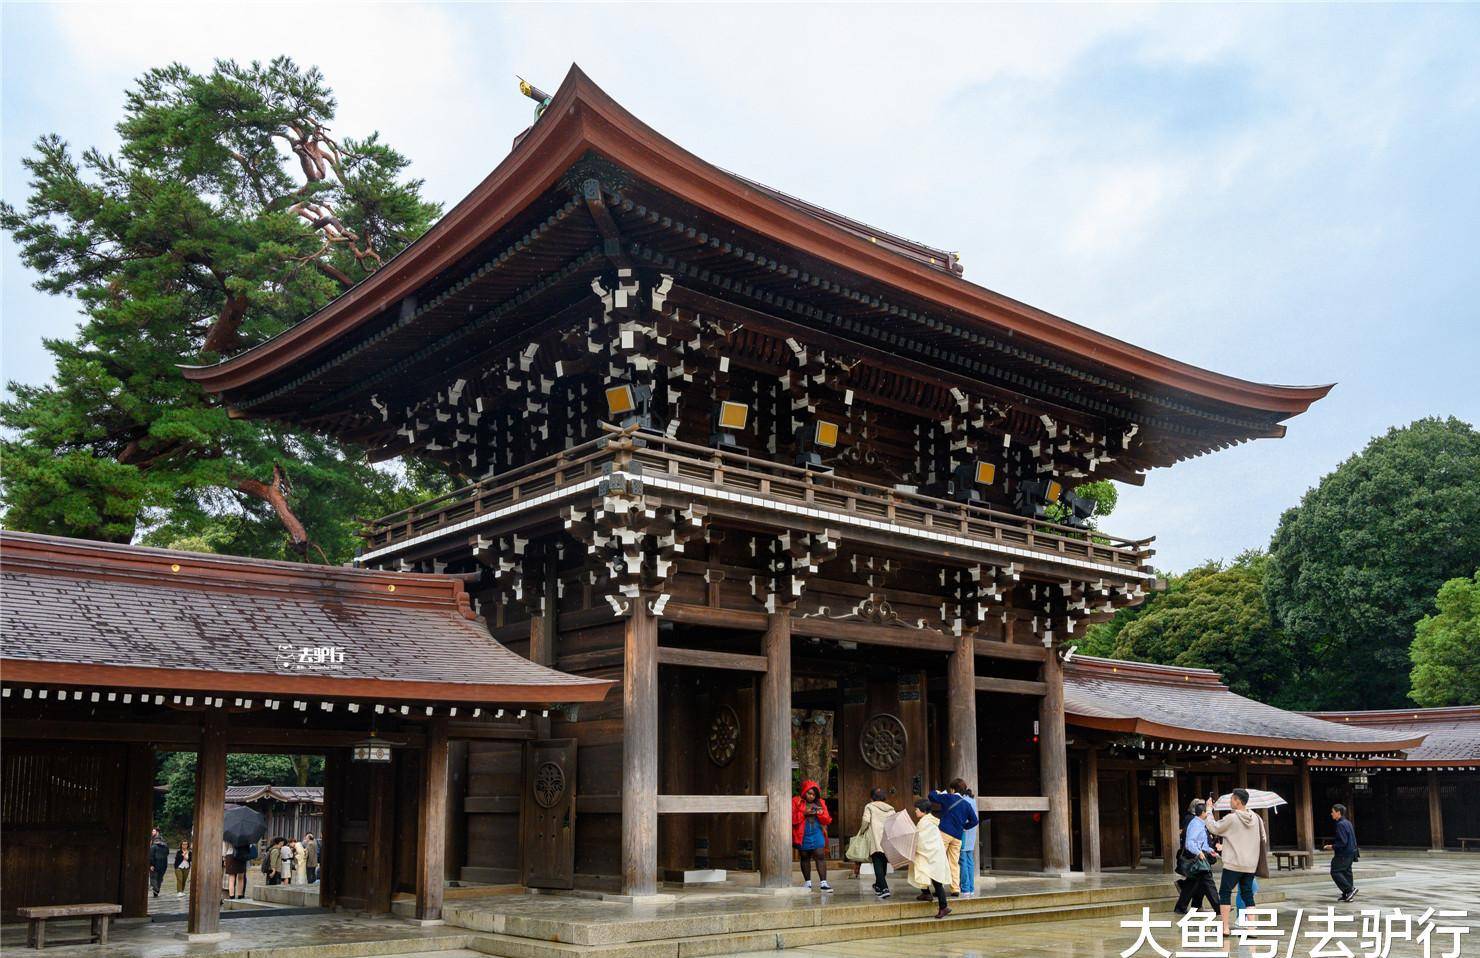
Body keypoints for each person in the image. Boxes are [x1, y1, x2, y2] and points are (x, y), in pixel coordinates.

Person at [1207, 788, 1267, 935]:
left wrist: (1209, 810)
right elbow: (1263, 839)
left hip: (1233, 864)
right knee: (1247, 894)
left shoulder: (1231, 818)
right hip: (1250, 864)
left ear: (1238, 801)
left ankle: (1225, 928)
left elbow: (1213, 828)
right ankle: (1252, 928)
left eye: (1232, 799)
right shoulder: (1257, 819)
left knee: (1225, 893)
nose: (1230, 801)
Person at [926, 778, 980, 896]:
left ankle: (939, 888)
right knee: (954, 863)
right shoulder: (966, 804)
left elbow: (931, 796)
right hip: (958, 836)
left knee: (939, 860)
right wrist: (964, 826)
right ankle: (955, 888)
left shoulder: (948, 797)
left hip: (944, 833)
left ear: (952, 789)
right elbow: (975, 821)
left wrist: (938, 792)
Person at [908, 799, 953, 919]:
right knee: (922, 870)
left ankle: (943, 907)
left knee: (937, 881)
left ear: (923, 811)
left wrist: (911, 843)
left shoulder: (925, 822)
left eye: (917, 809)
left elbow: (921, 840)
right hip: (932, 854)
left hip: (931, 855)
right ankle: (926, 893)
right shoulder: (929, 820)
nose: (915, 811)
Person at [1174, 800, 1218, 914]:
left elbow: (1202, 843)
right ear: (1203, 813)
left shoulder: (1200, 824)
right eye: (1207, 813)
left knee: (1191, 884)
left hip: (1201, 856)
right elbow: (1190, 843)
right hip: (1197, 859)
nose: (1207, 814)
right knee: (1208, 882)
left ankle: (1180, 907)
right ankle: (1219, 908)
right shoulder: (1195, 824)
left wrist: (1210, 850)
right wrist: (1199, 852)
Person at [792, 780, 832, 891]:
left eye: (814, 794)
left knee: (820, 855)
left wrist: (821, 814)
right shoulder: (796, 801)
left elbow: (827, 820)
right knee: (804, 856)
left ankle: (824, 883)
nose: (811, 796)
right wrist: (805, 813)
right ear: (804, 792)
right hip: (802, 833)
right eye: (809, 793)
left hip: (817, 832)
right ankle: (807, 882)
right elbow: (792, 818)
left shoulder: (821, 803)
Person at [857, 788, 896, 899]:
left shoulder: (870, 807)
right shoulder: (891, 809)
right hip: (887, 839)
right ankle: (878, 886)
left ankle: (884, 888)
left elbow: (866, 821)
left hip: (875, 838)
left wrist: (862, 831)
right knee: (883, 862)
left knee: (877, 863)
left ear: (872, 798)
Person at [1323, 803, 1359, 902]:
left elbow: (1343, 842)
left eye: (1333, 812)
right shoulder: (1348, 823)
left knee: (1335, 871)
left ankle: (1349, 890)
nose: (1331, 814)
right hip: (1351, 852)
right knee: (1346, 872)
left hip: (1344, 853)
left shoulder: (1340, 824)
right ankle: (1347, 894)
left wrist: (1331, 846)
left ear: (1338, 813)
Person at [958, 786, 978, 897]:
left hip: (964, 832)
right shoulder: (972, 799)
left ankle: (965, 888)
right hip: (972, 832)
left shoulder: (963, 800)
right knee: (970, 861)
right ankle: (971, 888)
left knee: (963, 861)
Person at [148, 829, 169, 897]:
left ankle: (155, 889)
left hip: (155, 865)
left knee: (153, 878)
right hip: (164, 865)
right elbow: (167, 854)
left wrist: (151, 865)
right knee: (159, 878)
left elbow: (151, 856)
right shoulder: (166, 847)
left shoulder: (153, 847)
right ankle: (157, 891)